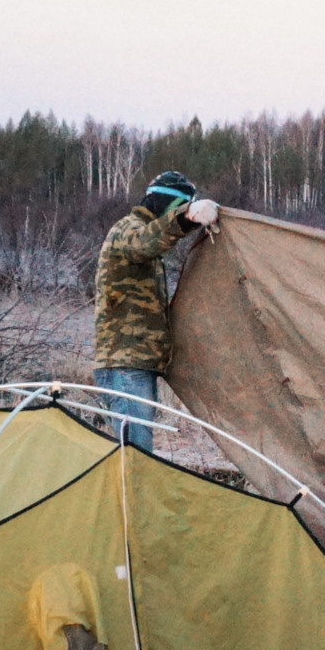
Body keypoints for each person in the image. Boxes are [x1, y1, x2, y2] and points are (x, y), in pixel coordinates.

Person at [90, 170, 218, 448]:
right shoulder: (127, 230)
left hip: (136, 365)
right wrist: (186, 218)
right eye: (180, 206)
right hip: (124, 367)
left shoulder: (141, 234)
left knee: (136, 455)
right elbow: (145, 242)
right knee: (134, 457)